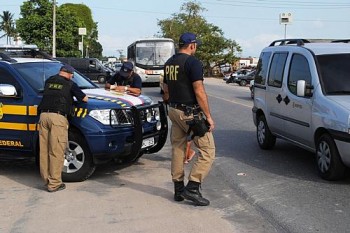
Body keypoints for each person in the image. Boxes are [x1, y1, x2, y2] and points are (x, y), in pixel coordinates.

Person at [162, 32, 216, 206]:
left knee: (178, 148)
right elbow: (199, 91)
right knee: (208, 151)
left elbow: (165, 89)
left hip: (174, 110)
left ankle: (178, 190)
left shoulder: (169, 63)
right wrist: (208, 116)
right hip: (190, 114)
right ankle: (192, 187)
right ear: (192, 45)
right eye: (196, 45)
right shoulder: (193, 63)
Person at [38, 64, 88, 192]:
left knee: (44, 150)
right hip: (57, 119)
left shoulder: (49, 81)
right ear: (70, 74)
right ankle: (54, 184)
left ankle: (46, 180)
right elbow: (84, 99)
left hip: (43, 117)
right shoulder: (70, 84)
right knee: (56, 151)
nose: (72, 77)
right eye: (72, 75)